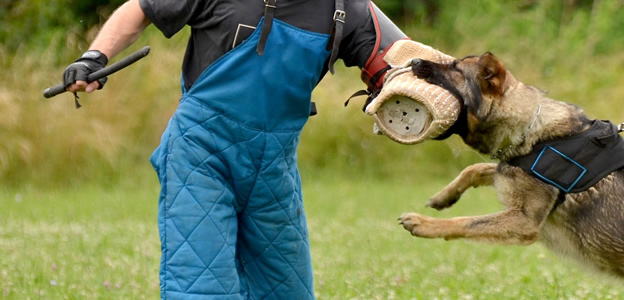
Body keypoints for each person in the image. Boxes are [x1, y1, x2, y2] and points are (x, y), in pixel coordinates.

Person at [61, 0, 410, 298]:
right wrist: (94, 57)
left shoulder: (345, 7)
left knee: (287, 291)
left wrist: (434, 93)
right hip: (201, 157)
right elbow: (141, 8)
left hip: (276, 167)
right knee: (201, 287)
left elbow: (404, 62)